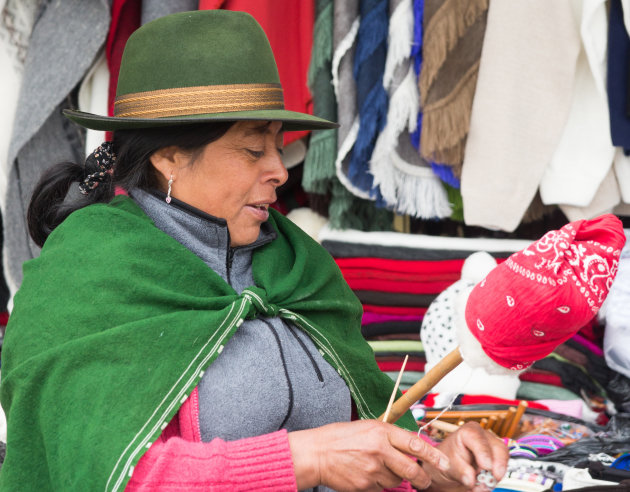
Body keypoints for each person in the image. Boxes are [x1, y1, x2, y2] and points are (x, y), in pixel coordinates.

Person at [0, 10, 507, 492]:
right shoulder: (88, 273)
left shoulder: (297, 265)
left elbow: (361, 437)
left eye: (278, 146)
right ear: (169, 155)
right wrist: (307, 460)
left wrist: (430, 461)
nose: (280, 171)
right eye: (252, 149)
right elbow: (109, 475)